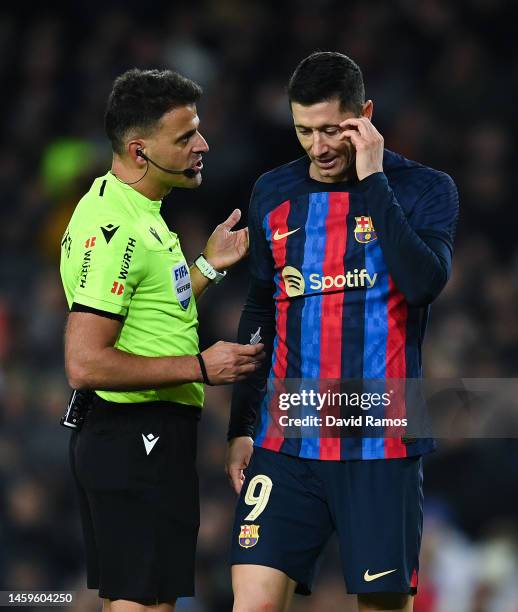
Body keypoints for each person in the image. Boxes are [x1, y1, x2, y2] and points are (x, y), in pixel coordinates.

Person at [226, 52, 459, 612]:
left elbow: (424, 283)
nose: (319, 146)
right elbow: (262, 307)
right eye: (304, 131)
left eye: (332, 130)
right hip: (288, 441)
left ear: (366, 116)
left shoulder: (425, 189)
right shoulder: (273, 192)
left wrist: (374, 180)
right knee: (251, 604)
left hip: (380, 442)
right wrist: (240, 424)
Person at [59, 68, 264, 612]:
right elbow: (84, 362)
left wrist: (206, 268)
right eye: (185, 137)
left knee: (139, 600)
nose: (203, 145)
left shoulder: (130, 210)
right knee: (143, 605)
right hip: (134, 436)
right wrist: (201, 367)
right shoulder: (117, 228)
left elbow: (151, 313)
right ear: (139, 149)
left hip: (140, 438)